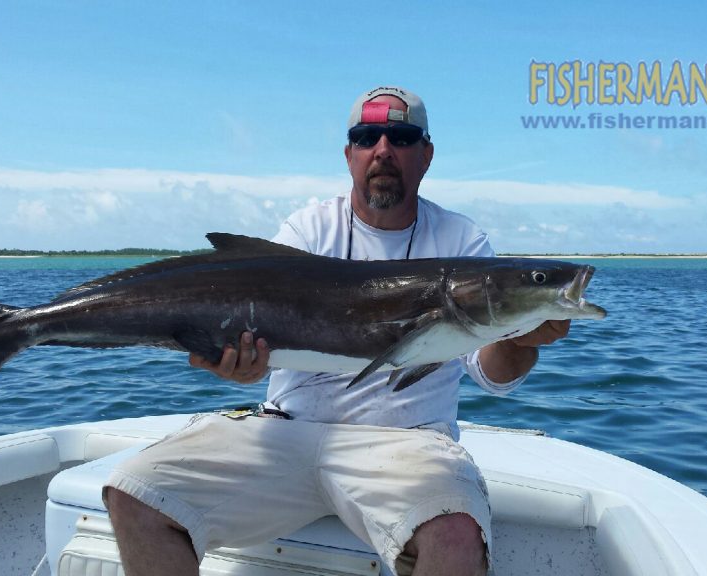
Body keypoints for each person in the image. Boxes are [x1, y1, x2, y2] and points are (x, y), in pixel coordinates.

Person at [104, 86, 571, 576]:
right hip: (285, 433)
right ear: (349, 154)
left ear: (426, 154)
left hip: (406, 445)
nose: (383, 150)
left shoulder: (462, 241)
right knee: (136, 494)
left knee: (455, 536)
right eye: (367, 137)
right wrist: (239, 369)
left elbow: (493, 376)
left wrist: (519, 341)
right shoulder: (308, 230)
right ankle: (32, 325)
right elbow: (257, 340)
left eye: (402, 137)